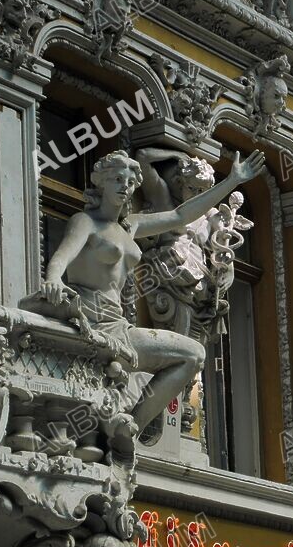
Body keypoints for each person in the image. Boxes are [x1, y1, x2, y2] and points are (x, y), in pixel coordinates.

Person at [38, 149, 265, 432]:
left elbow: (181, 215)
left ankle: (129, 428)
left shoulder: (130, 226)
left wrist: (232, 180)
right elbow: (62, 256)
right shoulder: (85, 222)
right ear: (101, 183)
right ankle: (120, 428)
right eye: (117, 179)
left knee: (193, 354)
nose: (125, 187)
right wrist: (53, 279)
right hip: (88, 318)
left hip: (117, 325)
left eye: (130, 182)